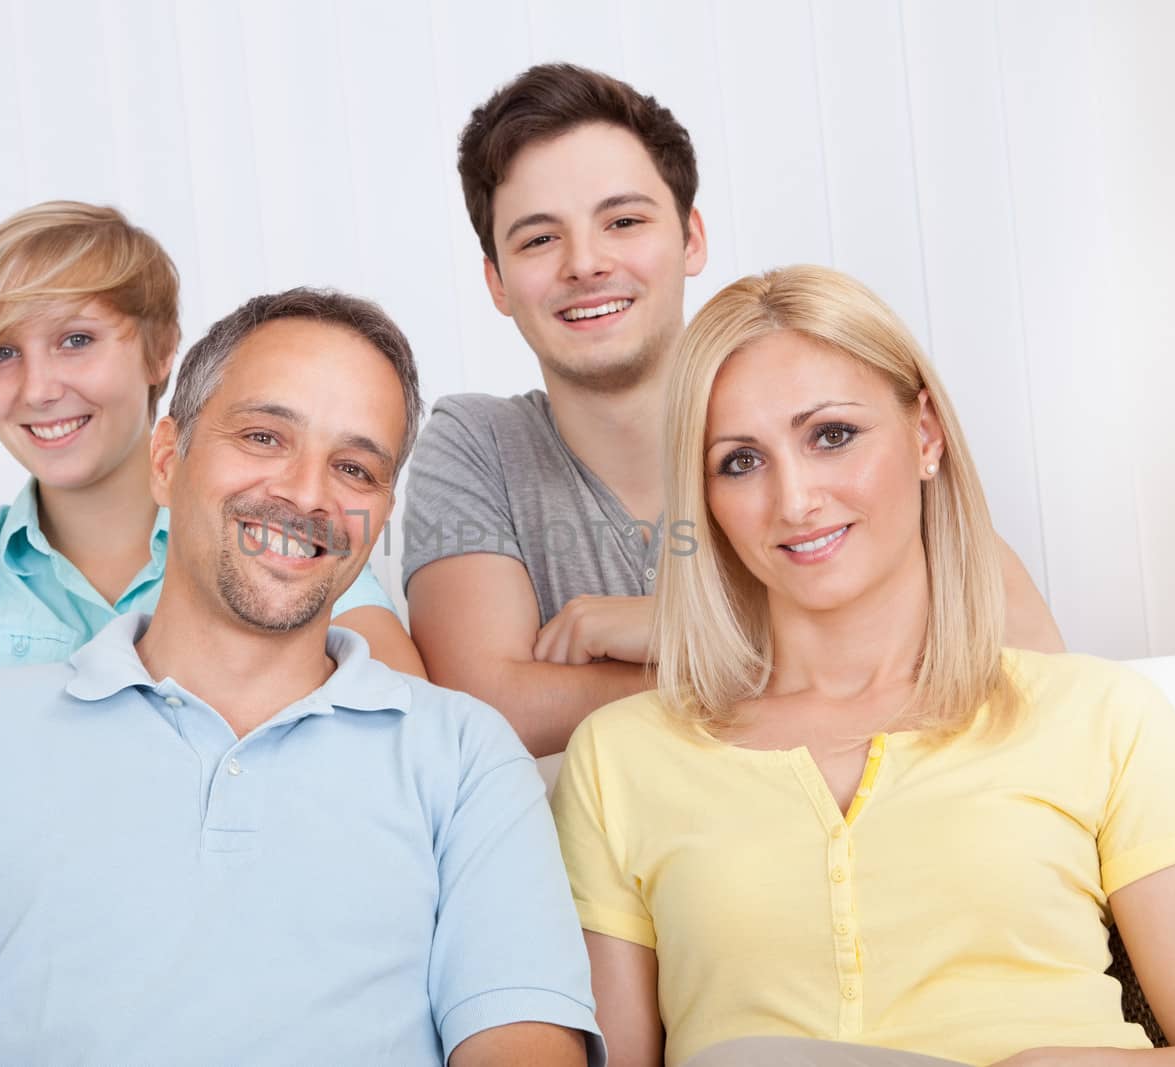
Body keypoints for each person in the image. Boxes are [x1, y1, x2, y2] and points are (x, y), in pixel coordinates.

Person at [0, 289, 604, 1065]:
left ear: (382, 510)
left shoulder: (463, 757)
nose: (304, 492)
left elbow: (519, 1041)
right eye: (263, 438)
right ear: (167, 457)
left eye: (355, 468)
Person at [551, 265, 1175, 1066]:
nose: (795, 500)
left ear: (925, 434)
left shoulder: (1101, 715)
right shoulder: (620, 757)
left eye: (832, 435)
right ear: (705, 497)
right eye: (741, 462)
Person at [402, 65, 1062, 760]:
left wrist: (676, 631)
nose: (586, 263)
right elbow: (484, 709)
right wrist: (767, 656)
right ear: (496, 282)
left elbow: (1030, 660)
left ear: (691, 239)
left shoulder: (810, 405)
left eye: (624, 221)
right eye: (539, 239)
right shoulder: (477, 443)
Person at [0, 201, 424, 796]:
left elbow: (408, 742)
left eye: (75, 340)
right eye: (2, 352)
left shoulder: (287, 539)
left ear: (160, 351)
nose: (39, 389)